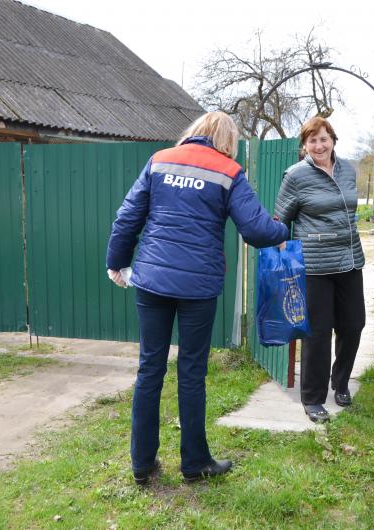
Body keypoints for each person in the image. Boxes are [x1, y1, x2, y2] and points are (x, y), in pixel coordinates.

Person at [106, 111, 289, 485]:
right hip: (197, 288)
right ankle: (194, 463)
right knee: (191, 372)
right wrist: (283, 230)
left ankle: (142, 464)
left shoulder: (159, 161)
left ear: (195, 131)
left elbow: (127, 217)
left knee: (149, 369)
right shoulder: (228, 171)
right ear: (227, 139)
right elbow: (255, 229)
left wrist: (117, 262)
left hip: (152, 281)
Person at [274, 116, 366, 423]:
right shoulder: (296, 176)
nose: (318, 145)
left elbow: (350, 210)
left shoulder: (347, 171)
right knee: (317, 333)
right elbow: (280, 218)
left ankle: (340, 382)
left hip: (349, 259)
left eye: (323, 139)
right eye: (312, 140)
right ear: (304, 145)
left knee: (354, 325)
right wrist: (281, 245)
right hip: (314, 265)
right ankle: (312, 398)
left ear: (333, 141)